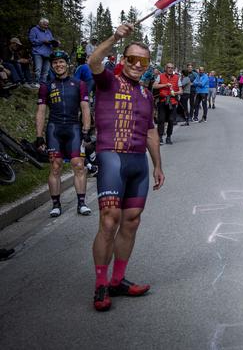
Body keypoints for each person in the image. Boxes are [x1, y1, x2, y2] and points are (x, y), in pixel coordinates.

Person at [88, 23, 164, 312]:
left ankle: (118, 280)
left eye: (142, 61)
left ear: (147, 65)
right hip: (111, 157)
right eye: (131, 59)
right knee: (109, 219)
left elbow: (151, 131)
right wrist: (115, 38)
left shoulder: (146, 94)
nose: (136, 65)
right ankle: (100, 285)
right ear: (123, 60)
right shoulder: (108, 81)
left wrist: (158, 164)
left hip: (137, 163)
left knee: (131, 220)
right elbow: (94, 61)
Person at [35, 50, 92, 218]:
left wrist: (86, 130)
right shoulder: (46, 86)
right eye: (55, 63)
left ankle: (81, 203)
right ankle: (56, 204)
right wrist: (39, 136)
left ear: (67, 64)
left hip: (74, 128)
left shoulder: (79, 84)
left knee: (79, 165)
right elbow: (40, 111)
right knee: (55, 167)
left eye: (61, 62)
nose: (58, 65)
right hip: (54, 129)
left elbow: (85, 108)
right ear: (52, 66)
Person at [154, 62, 181, 145]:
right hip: (162, 101)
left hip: (172, 102)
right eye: (169, 67)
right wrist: (165, 85)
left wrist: (175, 93)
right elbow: (154, 86)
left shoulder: (177, 77)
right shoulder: (160, 76)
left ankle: (169, 137)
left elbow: (181, 90)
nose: (170, 69)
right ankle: (160, 137)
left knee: (171, 120)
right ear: (166, 68)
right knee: (161, 120)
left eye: (172, 68)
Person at [29, 17, 58, 85]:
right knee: (38, 69)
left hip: (47, 53)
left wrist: (56, 43)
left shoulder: (48, 31)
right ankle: (36, 83)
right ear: (40, 23)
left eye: (47, 25)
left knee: (46, 71)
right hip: (37, 52)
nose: (46, 26)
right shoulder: (34, 30)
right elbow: (32, 40)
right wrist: (42, 41)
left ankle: (43, 84)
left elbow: (51, 40)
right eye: (45, 25)